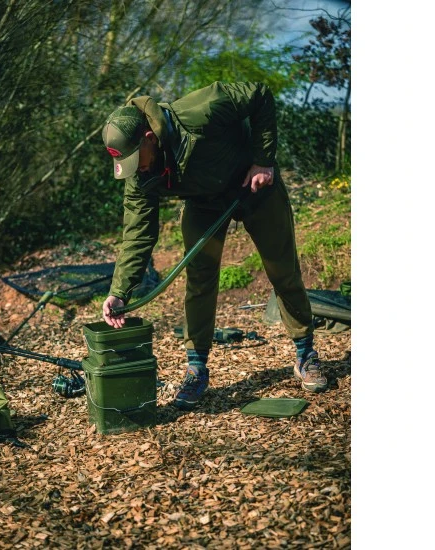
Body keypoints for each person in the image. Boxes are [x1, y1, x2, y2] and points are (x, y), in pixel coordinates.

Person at [100, 81, 327, 410]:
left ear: (149, 137)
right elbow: (137, 232)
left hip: (255, 187)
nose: (138, 168)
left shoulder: (201, 111)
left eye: (137, 158)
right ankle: (196, 368)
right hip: (204, 204)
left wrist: (263, 160)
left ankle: (306, 354)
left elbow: (259, 95)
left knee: (283, 271)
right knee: (199, 279)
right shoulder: (140, 175)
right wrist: (119, 291)